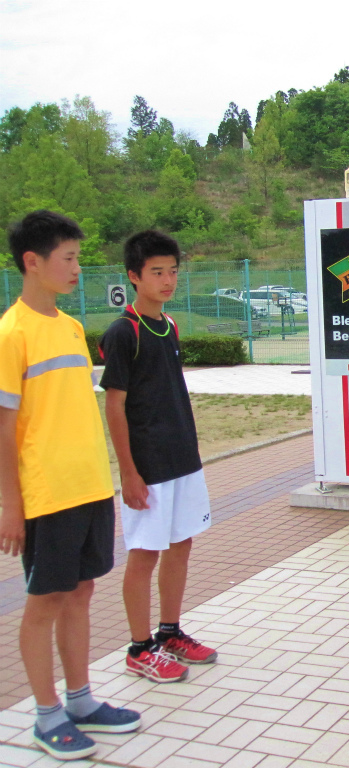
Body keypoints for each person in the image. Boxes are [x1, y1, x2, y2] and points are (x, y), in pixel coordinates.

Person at [0, 211, 141, 760]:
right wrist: (11, 505)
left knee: (81, 592)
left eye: (78, 257)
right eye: (69, 258)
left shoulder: (69, 327)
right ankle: (46, 716)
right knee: (45, 601)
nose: (78, 268)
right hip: (47, 493)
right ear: (32, 262)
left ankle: (81, 701)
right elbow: (5, 428)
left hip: (89, 486)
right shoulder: (12, 333)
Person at [99, 231, 217, 684]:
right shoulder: (123, 332)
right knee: (144, 554)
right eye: (157, 272)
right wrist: (129, 473)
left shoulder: (169, 325)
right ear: (134, 276)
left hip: (182, 459)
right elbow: (114, 407)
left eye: (172, 271)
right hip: (147, 468)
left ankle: (170, 632)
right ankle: (139, 647)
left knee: (181, 544)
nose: (167, 280)